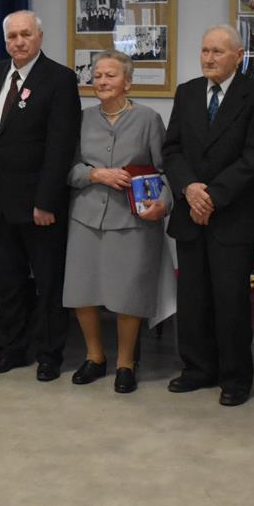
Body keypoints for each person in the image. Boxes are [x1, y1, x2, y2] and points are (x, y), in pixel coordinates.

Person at [163, 25, 254, 407]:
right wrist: (189, 188)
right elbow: (172, 149)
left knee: (231, 302)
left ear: (239, 56)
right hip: (190, 210)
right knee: (193, 298)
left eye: (217, 52)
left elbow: (253, 156)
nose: (208, 58)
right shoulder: (187, 92)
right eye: (204, 50)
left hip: (233, 215)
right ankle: (197, 369)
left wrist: (211, 196)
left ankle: (235, 377)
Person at [0, 11, 81, 380]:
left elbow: (60, 145)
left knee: (48, 283)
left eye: (25, 35)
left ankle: (50, 353)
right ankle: (11, 349)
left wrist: (46, 201)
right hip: (0, 200)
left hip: (41, 203)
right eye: (12, 36)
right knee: (7, 282)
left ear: (40, 37)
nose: (18, 42)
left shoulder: (60, 78)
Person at [62, 50, 171, 394]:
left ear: (128, 82)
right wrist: (95, 174)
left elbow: (166, 170)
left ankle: (126, 363)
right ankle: (94, 357)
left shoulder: (149, 119)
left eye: (110, 75)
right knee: (82, 290)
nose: (102, 81)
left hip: (133, 220)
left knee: (128, 293)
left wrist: (164, 203)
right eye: (97, 76)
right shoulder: (80, 119)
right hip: (86, 216)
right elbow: (66, 168)